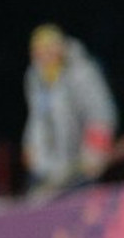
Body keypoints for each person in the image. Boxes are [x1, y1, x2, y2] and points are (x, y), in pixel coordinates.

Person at [22, 23, 117, 195]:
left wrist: (95, 151)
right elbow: (37, 117)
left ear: (60, 47)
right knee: (38, 210)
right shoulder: (34, 77)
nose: (44, 54)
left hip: (78, 165)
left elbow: (100, 112)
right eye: (39, 50)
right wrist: (30, 145)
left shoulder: (81, 72)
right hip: (47, 169)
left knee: (78, 213)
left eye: (49, 48)